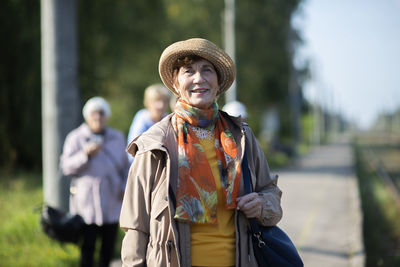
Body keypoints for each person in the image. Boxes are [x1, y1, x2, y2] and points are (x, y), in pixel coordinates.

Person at [120, 38, 282, 267]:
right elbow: (136, 226)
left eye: (207, 70)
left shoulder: (242, 136)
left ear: (218, 83)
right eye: (189, 71)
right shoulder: (155, 144)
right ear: (176, 84)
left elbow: (270, 192)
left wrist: (262, 205)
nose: (199, 79)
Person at [60, 96, 129, 267]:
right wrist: (85, 155)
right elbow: (66, 167)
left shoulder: (117, 137)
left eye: (101, 113)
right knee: (87, 247)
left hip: (112, 201)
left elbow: (126, 167)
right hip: (86, 204)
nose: (97, 117)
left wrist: (124, 187)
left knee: (108, 247)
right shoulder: (75, 138)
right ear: (87, 116)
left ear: (107, 116)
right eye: (93, 114)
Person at [126, 83, 170, 163]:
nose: (161, 105)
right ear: (148, 102)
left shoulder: (168, 120)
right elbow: (133, 151)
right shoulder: (142, 119)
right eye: (157, 101)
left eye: (164, 101)